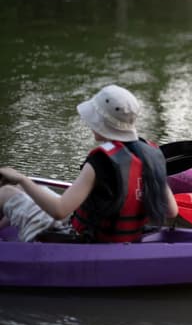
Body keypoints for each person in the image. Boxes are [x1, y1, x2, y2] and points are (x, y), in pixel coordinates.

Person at [0, 84, 178, 242]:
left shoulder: (100, 160)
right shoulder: (152, 154)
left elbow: (59, 211)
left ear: (101, 122)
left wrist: (22, 178)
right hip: (128, 235)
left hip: (87, 238)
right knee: (28, 191)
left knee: (7, 191)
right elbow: (171, 211)